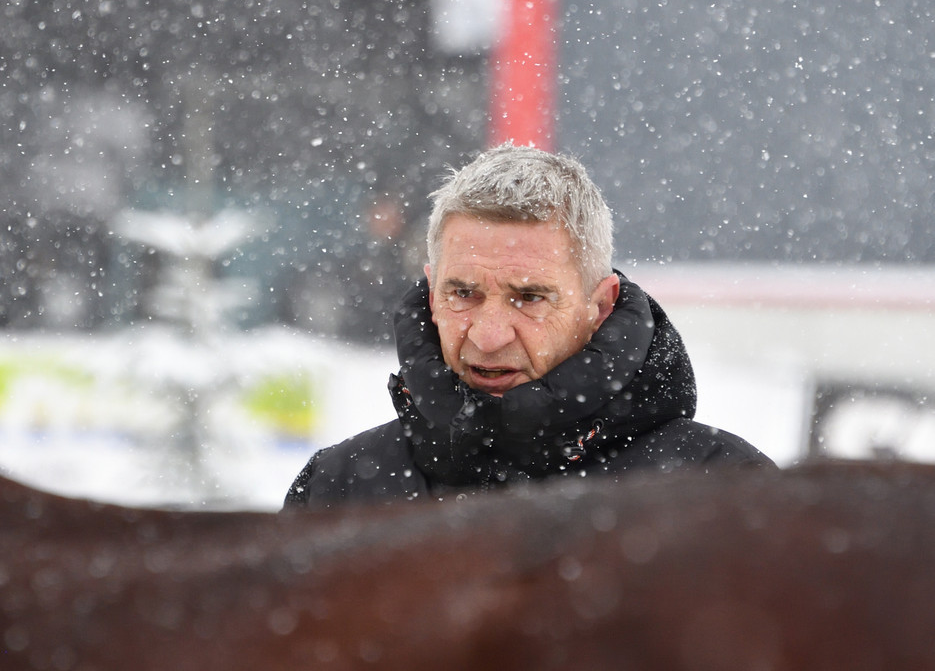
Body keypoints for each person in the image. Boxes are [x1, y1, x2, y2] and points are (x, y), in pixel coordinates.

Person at [284, 144, 772, 508]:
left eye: (530, 298)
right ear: (431, 296)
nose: (488, 336)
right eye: (463, 294)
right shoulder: (337, 489)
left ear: (600, 307)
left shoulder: (726, 492)